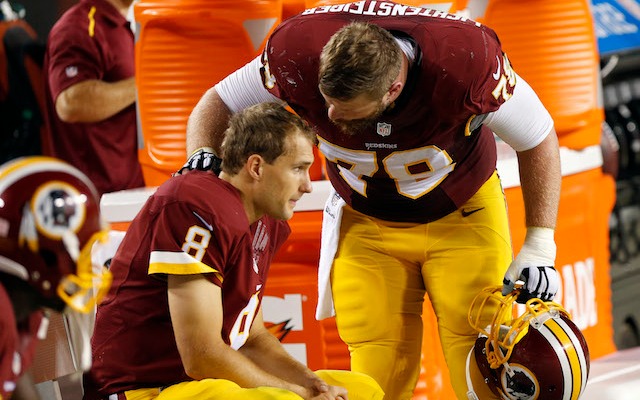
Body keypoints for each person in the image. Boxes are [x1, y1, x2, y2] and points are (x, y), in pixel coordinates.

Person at [182, 2, 562, 399]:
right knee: (374, 376)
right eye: (326, 100)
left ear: (393, 90)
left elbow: (537, 136)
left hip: (461, 211)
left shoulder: (464, 64)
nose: (329, 115)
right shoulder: (296, 51)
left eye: (346, 111)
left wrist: (540, 243)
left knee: (481, 367)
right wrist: (200, 161)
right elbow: (217, 101)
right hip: (366, 219)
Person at [83, 102, 384, 400]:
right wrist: (295, 394)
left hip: (196, 384)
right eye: (298, 169)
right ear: (256, 167)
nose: (307, 185)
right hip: (140, 389)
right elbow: (201, 356)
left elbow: (252, 338)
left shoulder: (264, 220)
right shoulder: (195, 205)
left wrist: (312, 385)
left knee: (361, 390)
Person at [0, 156, 113, 399]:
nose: (86, 267)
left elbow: (15, 382)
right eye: (80, 250)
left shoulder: (23, 309)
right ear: (44, 253)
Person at [42, 0, 144, 197]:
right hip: (95, 198)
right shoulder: (78, 27)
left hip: (131, 191)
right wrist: (148, 82)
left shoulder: (131, 23)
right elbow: (71, 102)